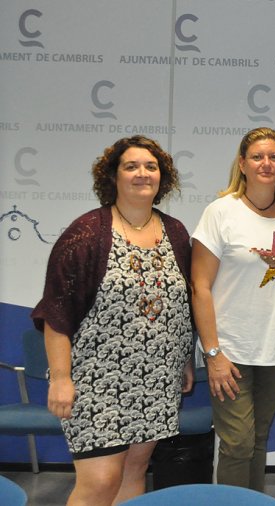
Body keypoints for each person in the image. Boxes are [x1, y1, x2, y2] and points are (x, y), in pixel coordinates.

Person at [31, 136, 193, 506]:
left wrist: (184, 357)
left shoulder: (177, 233)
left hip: (156, 379)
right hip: (96, 379)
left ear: (162, 177)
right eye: (131, 166)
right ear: (113, 177)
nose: (142, 174)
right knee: (100, 481)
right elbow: (57, 311)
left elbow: (180, 303)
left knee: (134, 473)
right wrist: (60, 378)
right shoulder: (86, 233)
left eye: (151, 166)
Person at [191, 127, 275, 491]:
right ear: (242, 164)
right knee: (238, 442)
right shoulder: (220, 212)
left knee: (258, 440)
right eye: (257, 156)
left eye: (274, 156)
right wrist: (213, 353)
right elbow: (200, 287)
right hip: (231, 349)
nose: (266, 163)